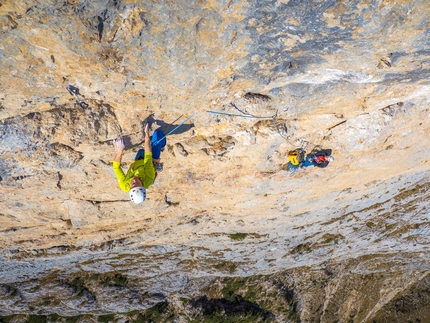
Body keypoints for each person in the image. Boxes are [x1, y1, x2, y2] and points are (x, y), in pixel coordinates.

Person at [112, 125, 166, 204]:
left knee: (141, 151)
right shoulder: (149, 178)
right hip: (150, 162)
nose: (134, 180)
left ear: (129, 189)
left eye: (133, 184)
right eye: (137, 183)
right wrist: (146, 134)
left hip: (138, 162)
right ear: (143, 186)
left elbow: (116, 167)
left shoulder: (124, 185)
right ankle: (162, 144)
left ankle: (147, 148)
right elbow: (148, 156)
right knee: (158, 135)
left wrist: (120, 150)